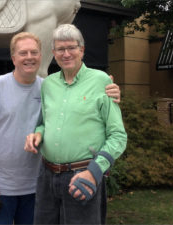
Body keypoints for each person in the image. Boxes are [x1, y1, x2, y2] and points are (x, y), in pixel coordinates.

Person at [0, 31, 121, 225]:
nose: (29, 57)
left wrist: (110, 89)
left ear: (42, 56)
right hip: (1, 187)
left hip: (38, 188)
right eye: (23, 53)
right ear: (13, 58)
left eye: (34, 52)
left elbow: (48, 122)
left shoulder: (49, 86)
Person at [25, 24, 127, 225]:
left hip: (84, 175)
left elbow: (118, 136)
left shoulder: (101, 81)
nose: (66, 54)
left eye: (71, 47)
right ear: (53, 53)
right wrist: (38, 134)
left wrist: (94, 171)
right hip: (47, 176)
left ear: (82, 49)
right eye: (60, 49)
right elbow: (43, 123)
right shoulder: (48, 84)